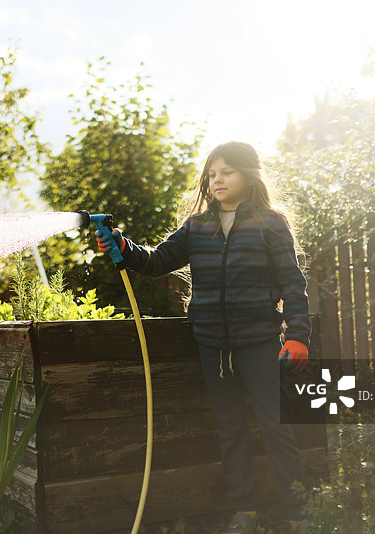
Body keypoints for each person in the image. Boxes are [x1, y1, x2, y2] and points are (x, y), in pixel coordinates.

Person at [97, 141, 310, 534]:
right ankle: (244, 512)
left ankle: (299, 514)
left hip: (260, 342)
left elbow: (293, 284)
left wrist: (297, 335)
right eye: (212, 174)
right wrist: (123, 247)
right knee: (230, 428)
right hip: (212, 345)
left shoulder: (270, 223)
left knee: (275, 427)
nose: (217, 180)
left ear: (249, 174)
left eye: (227, 172)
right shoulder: (197, 227)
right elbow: (157, 259)